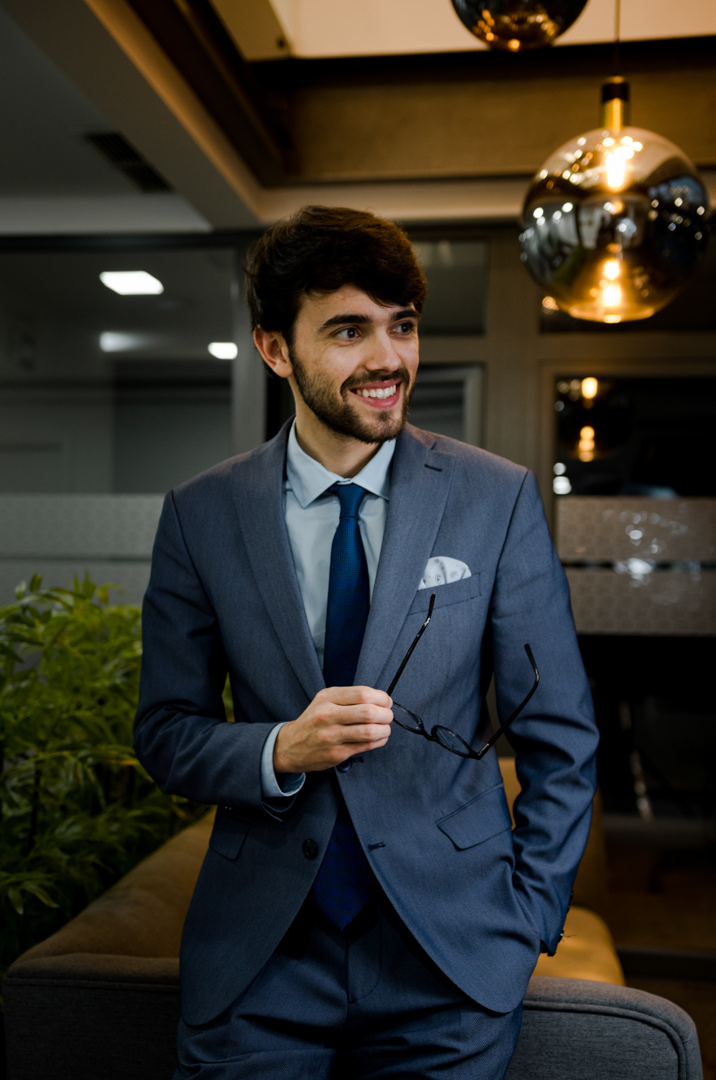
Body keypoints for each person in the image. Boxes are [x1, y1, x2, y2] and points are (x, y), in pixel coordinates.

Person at [134, 205, 599, 1080]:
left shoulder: (495, 498)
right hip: (261, 954)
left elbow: (561, 735)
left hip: (451, 953)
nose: (388, 359)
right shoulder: (201, 514)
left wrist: (529, 915)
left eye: (403, 325)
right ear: (275, 348)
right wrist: (280, 749)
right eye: (349, 330)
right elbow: (164, 731)